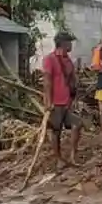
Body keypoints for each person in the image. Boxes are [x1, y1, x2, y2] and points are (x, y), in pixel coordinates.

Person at [42, 31, 82, 166]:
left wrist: (72, 99)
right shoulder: (49, 59)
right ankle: (58, 159)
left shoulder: (69, 61)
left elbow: (71, 82)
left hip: (67, 103)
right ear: (63, 44)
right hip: (55, 103)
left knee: (77, 124)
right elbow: (47, 82)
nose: (71, 45)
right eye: (69, 42)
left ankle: (72, 156)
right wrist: (48, 102)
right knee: (56, 131)